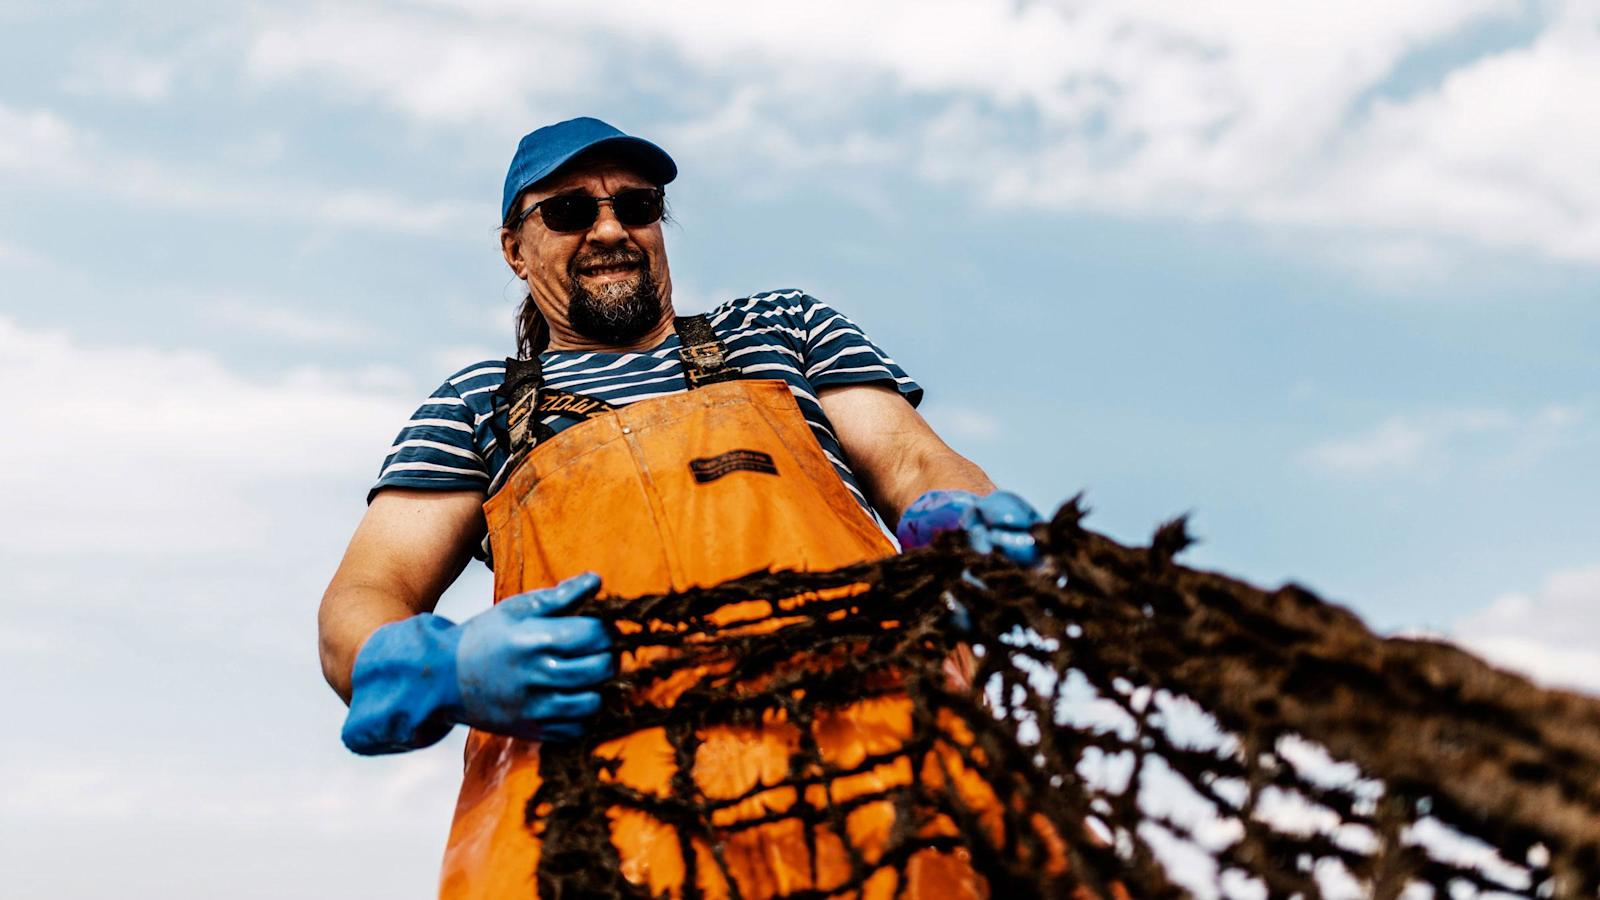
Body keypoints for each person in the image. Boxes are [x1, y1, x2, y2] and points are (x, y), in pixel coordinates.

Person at [318, 116, 1044, 899]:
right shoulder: (477, 407)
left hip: (884, 779)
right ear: (514, 250)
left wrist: (962, 513)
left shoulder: (782, 330)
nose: (609, 230)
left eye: (636, 206)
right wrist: (442, 666)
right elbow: (366, 592)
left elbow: (910, 457)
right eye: (568, 211)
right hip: (604, 828)